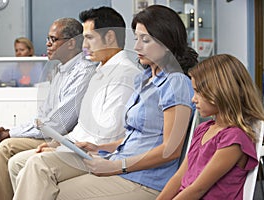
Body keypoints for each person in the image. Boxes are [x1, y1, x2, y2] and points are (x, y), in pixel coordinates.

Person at [12, 5, 198, 200]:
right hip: (122, 166)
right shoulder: (144, 79)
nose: (136, 47)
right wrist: (100, 148)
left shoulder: (175, 82)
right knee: (42, 181)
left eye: (145, 40)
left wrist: (117, 165)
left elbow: (171, 150)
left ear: (166, 42)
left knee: (53, 192)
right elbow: (134, 138)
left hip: (144, 180)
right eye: (136, 39)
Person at [8, 5, 141, 191]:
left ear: (110, 37)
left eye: (89, 38)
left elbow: (107, 135)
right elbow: (83, 127)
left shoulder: (125, 74)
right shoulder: (99, 71)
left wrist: (65, 148)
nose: (84, 46)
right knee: (17, 164)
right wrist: (57, 144)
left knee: (36, 165)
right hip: (79, 148)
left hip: (97, 155)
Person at [0, 18, 97, 200]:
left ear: (71, 43)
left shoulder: (83, 71)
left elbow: (59, 123)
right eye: (48, 39)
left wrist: (11, 133)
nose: (47, 44)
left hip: (63, 139)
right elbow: (42, 116)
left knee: (5, 147)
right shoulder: (61, 71)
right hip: (50, 133)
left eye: (53, 39)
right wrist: (8, 131)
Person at [156, 54, 264, 200]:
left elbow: (198, 189)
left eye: (198, 92)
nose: (193, 99)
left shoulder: (234, 139)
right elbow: (179, 177)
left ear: (221, 92)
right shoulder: (203, 129)